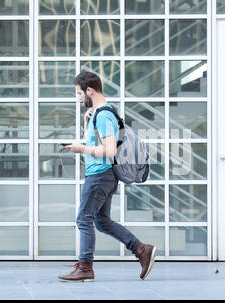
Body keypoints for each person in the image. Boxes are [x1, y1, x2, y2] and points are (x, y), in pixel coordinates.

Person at [58, 72, 157, 282]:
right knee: (101, 221)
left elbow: (110, 151)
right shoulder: (100, 114)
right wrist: (87, 125)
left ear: (90, 90)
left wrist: (80, 148)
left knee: (84, 219)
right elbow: (99, 142)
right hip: (103, 176)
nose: (78, 97)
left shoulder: (103, 115)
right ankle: (141, 249)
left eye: (79, 93)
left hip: (100, 176)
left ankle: (85, 267)